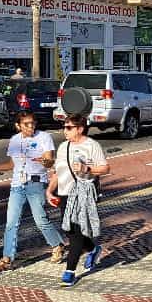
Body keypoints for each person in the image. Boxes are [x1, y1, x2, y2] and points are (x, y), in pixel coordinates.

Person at [0, 112, 65, 274]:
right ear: (18, 125)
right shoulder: (14, 140)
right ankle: (7, 259)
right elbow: (11, 164)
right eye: (26, 124)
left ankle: (57, 245)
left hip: (36, 183)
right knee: (11, 222)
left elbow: (49, 161)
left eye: (33, 123)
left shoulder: (43, 137)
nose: (31, 126)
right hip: (17, 185)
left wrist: (45, 161)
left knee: (40, 219)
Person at [45, 113, 111, 286]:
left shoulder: (91, 145)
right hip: (65, 193)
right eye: (64, 127)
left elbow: (105, 168)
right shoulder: (63, 147)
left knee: (75, 233)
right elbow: (58, 172)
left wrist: (86, 168)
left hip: (84, 194)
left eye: (69, 127)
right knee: (68, 230)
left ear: (80, 129)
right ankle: (92, 248)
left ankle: (70, 271)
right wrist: (50, 191)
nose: (64, 130)